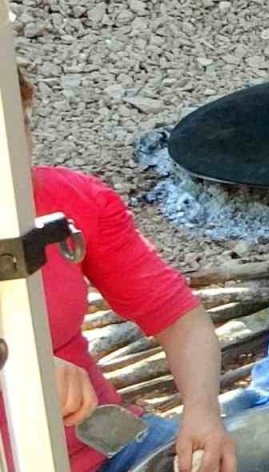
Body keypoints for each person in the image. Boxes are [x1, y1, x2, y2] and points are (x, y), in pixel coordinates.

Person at [0, 68, 236, 472]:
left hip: (107, 447)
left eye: (18, 129)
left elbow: (179, 317)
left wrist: (202, 413)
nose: (13, 155)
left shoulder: (72, 201)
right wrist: (20, 364)